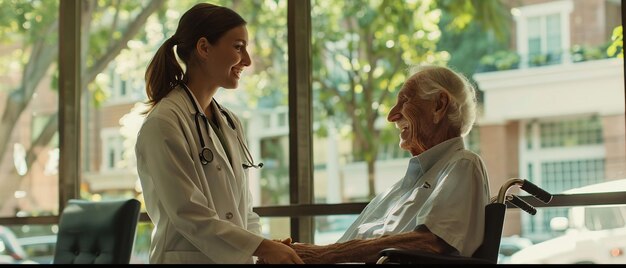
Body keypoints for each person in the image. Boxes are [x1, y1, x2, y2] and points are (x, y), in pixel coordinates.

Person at [135, 3, 303, 264]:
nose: (247, 60)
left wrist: (261, 249)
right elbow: (189, 214)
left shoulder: (230, 122)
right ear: (204, 48)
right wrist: (262, 247)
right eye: (238, 47)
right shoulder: (164, 123)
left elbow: (244, 210)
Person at [288, 65, 491, 264]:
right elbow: (341, 249)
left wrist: (323, 255)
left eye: (405, 100)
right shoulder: (401, 188)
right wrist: (295, 254)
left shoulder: (462, 164)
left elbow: (431, 243)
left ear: (439, 105)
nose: (392, 115)